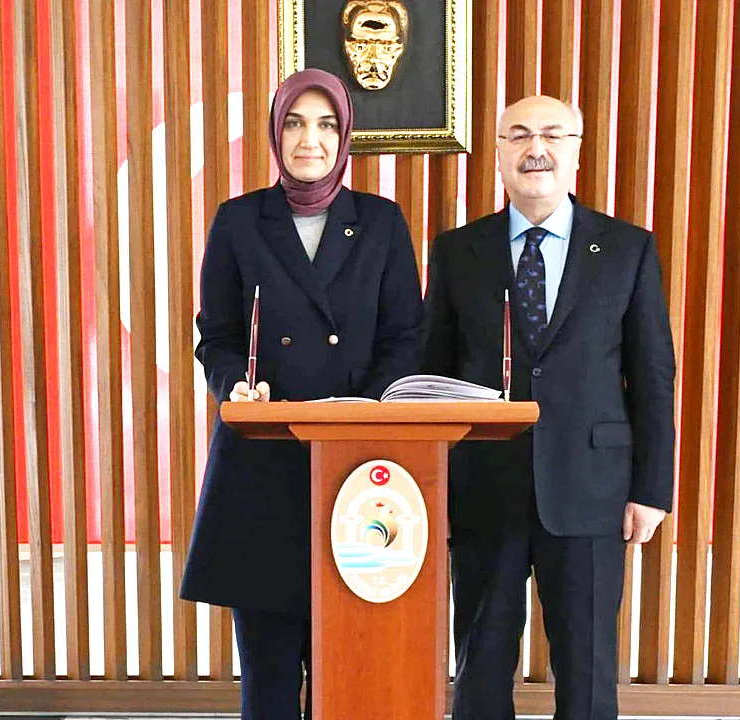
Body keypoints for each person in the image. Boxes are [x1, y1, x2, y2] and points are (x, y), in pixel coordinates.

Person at [421, 95, 676, 720]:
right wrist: (433, 490)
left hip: (592, 489)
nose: (536, 148)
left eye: (553, 135)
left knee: (587, 673)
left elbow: (652, 376)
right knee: (480, 665)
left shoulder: (626, 248)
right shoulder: (458, 251)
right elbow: (432, 377)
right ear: (498, 155)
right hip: (483, 489)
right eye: (519, 135)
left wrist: (652, 489)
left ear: (576, 151)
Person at [179, 68, 424, 720]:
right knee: (268, 681)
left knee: (350, 673)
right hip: (262, 463)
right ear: (275, 133)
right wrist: (233, 385)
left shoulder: (380, 222)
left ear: (344, 136)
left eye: (325, 124)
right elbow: (217, 336)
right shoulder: (238, 221)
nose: (309, 139)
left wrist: (362, 410)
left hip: (359, 470)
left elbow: (406, 338)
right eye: (293, 123)